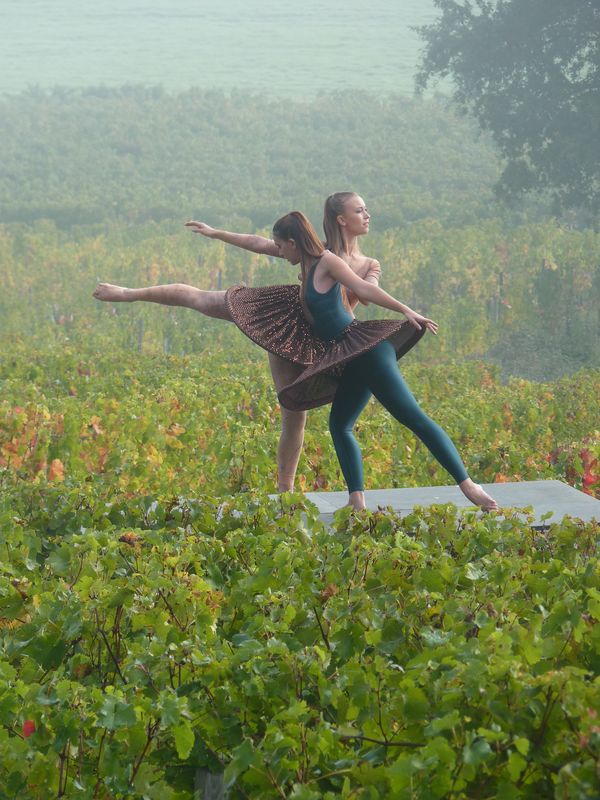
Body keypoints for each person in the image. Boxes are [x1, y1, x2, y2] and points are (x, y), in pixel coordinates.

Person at [93, 193, 419, 492]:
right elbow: (261, 243)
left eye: (365, 210)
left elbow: (367, 295)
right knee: (205, 303)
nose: (367, 215)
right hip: (287, 325)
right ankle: (127, 293)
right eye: (359, 210)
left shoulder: (365, 264)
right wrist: (216, 233)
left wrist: (387, 302)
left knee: (317, 418)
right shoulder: (315, 250)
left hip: (329, 340)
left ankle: (312, 491)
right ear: (341, 219)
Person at [270, 211, 498, 512]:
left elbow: (365, 289)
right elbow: (256, 244)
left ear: (292, 242)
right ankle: (356, 501)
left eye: (280, 247)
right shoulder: (307, 269)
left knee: (412, 417)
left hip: (367, 351)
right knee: (339, 425)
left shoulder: (327, 262)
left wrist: (406, 310)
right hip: (351, 356)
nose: (278, 252)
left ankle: (469, 485)